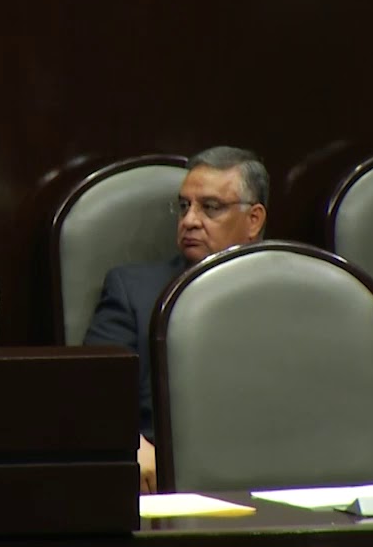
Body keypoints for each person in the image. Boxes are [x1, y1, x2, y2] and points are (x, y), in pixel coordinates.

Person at [83, 146, 268, 493]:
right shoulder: (132, 290)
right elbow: (92, 390)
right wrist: (131, 441)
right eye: (184, 206)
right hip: (167, 478)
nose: (190, 220)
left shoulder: (298, 290)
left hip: (276, 470)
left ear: (254, 219)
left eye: (210, 207)